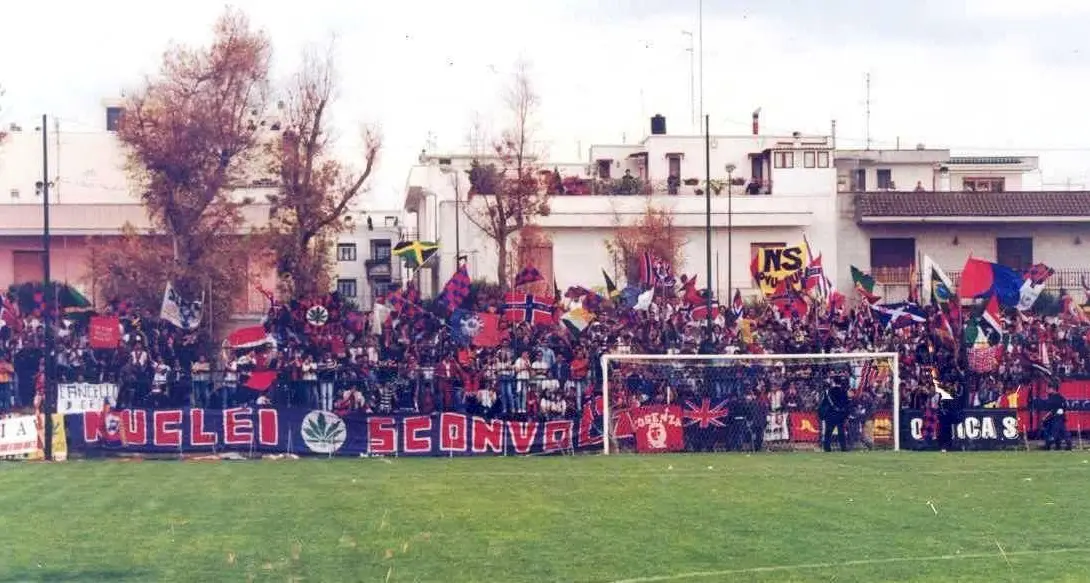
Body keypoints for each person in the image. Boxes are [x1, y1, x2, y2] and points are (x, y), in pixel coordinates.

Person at [818, 368, 850, 452]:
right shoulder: (844, 391)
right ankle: (843, 447)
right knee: (841, 432)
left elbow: (825, 402)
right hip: (841, 414)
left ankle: (827, 447)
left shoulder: (830, 392)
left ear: (834, 382)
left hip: (831, 414)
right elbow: (847, 404)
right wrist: (846, 415)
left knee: (828, 432)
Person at [1041, 382, 1071, 451]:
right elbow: (1066, 407)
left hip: (1055, 418)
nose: (1047, 390)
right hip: (1061, 417)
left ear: (1052, 389)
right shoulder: (1061, 397)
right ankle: (1065, 445)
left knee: (1054, 433)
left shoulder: (1053, 398)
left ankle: (1048, 445)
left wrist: (1045, 417)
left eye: (1048, 388)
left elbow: (1052, 410)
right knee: (1063, 432)